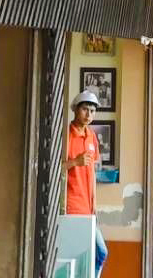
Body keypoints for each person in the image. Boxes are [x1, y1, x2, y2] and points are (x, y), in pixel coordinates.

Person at [65, 89, 108, 275]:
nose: (89, 114)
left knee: (100, 253)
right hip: (71, 205)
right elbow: (52, 169)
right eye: (85, 109)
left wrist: (94, 203)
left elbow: (92, 172)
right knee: (78, 255)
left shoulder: (91, 136)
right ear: (75, 109)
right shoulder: (65, 135)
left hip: (88, 207)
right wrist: (75, 162)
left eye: (92, 110)